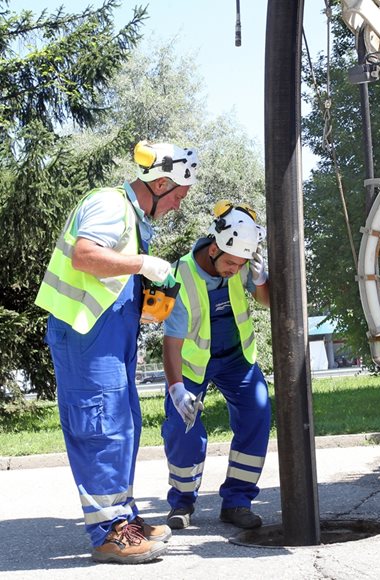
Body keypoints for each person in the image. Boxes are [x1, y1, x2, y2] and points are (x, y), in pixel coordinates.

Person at [34, 140, 199, 564]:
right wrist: (143, 264)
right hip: (86, 336)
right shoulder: (110, 204)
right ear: (161, 183)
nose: (179, 205)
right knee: (100, 426)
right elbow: (85, 256)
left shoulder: (133, 217)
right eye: (178, 195)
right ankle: (109, 533)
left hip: (108, 336)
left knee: (122, 424)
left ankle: (123, 517)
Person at [161, 201, 271, 531]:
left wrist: (261, 277)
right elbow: (171, 344)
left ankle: (237, 502)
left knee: (258, 410)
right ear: (213, 249)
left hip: (237, 359)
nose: (234, 270)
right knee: (183, 429)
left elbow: (267, 302)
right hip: (193, 366)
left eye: (241, 265)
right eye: (230, 263)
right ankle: (181, 503)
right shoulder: (181, 276)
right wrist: (177, 389)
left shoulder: (241, 264)